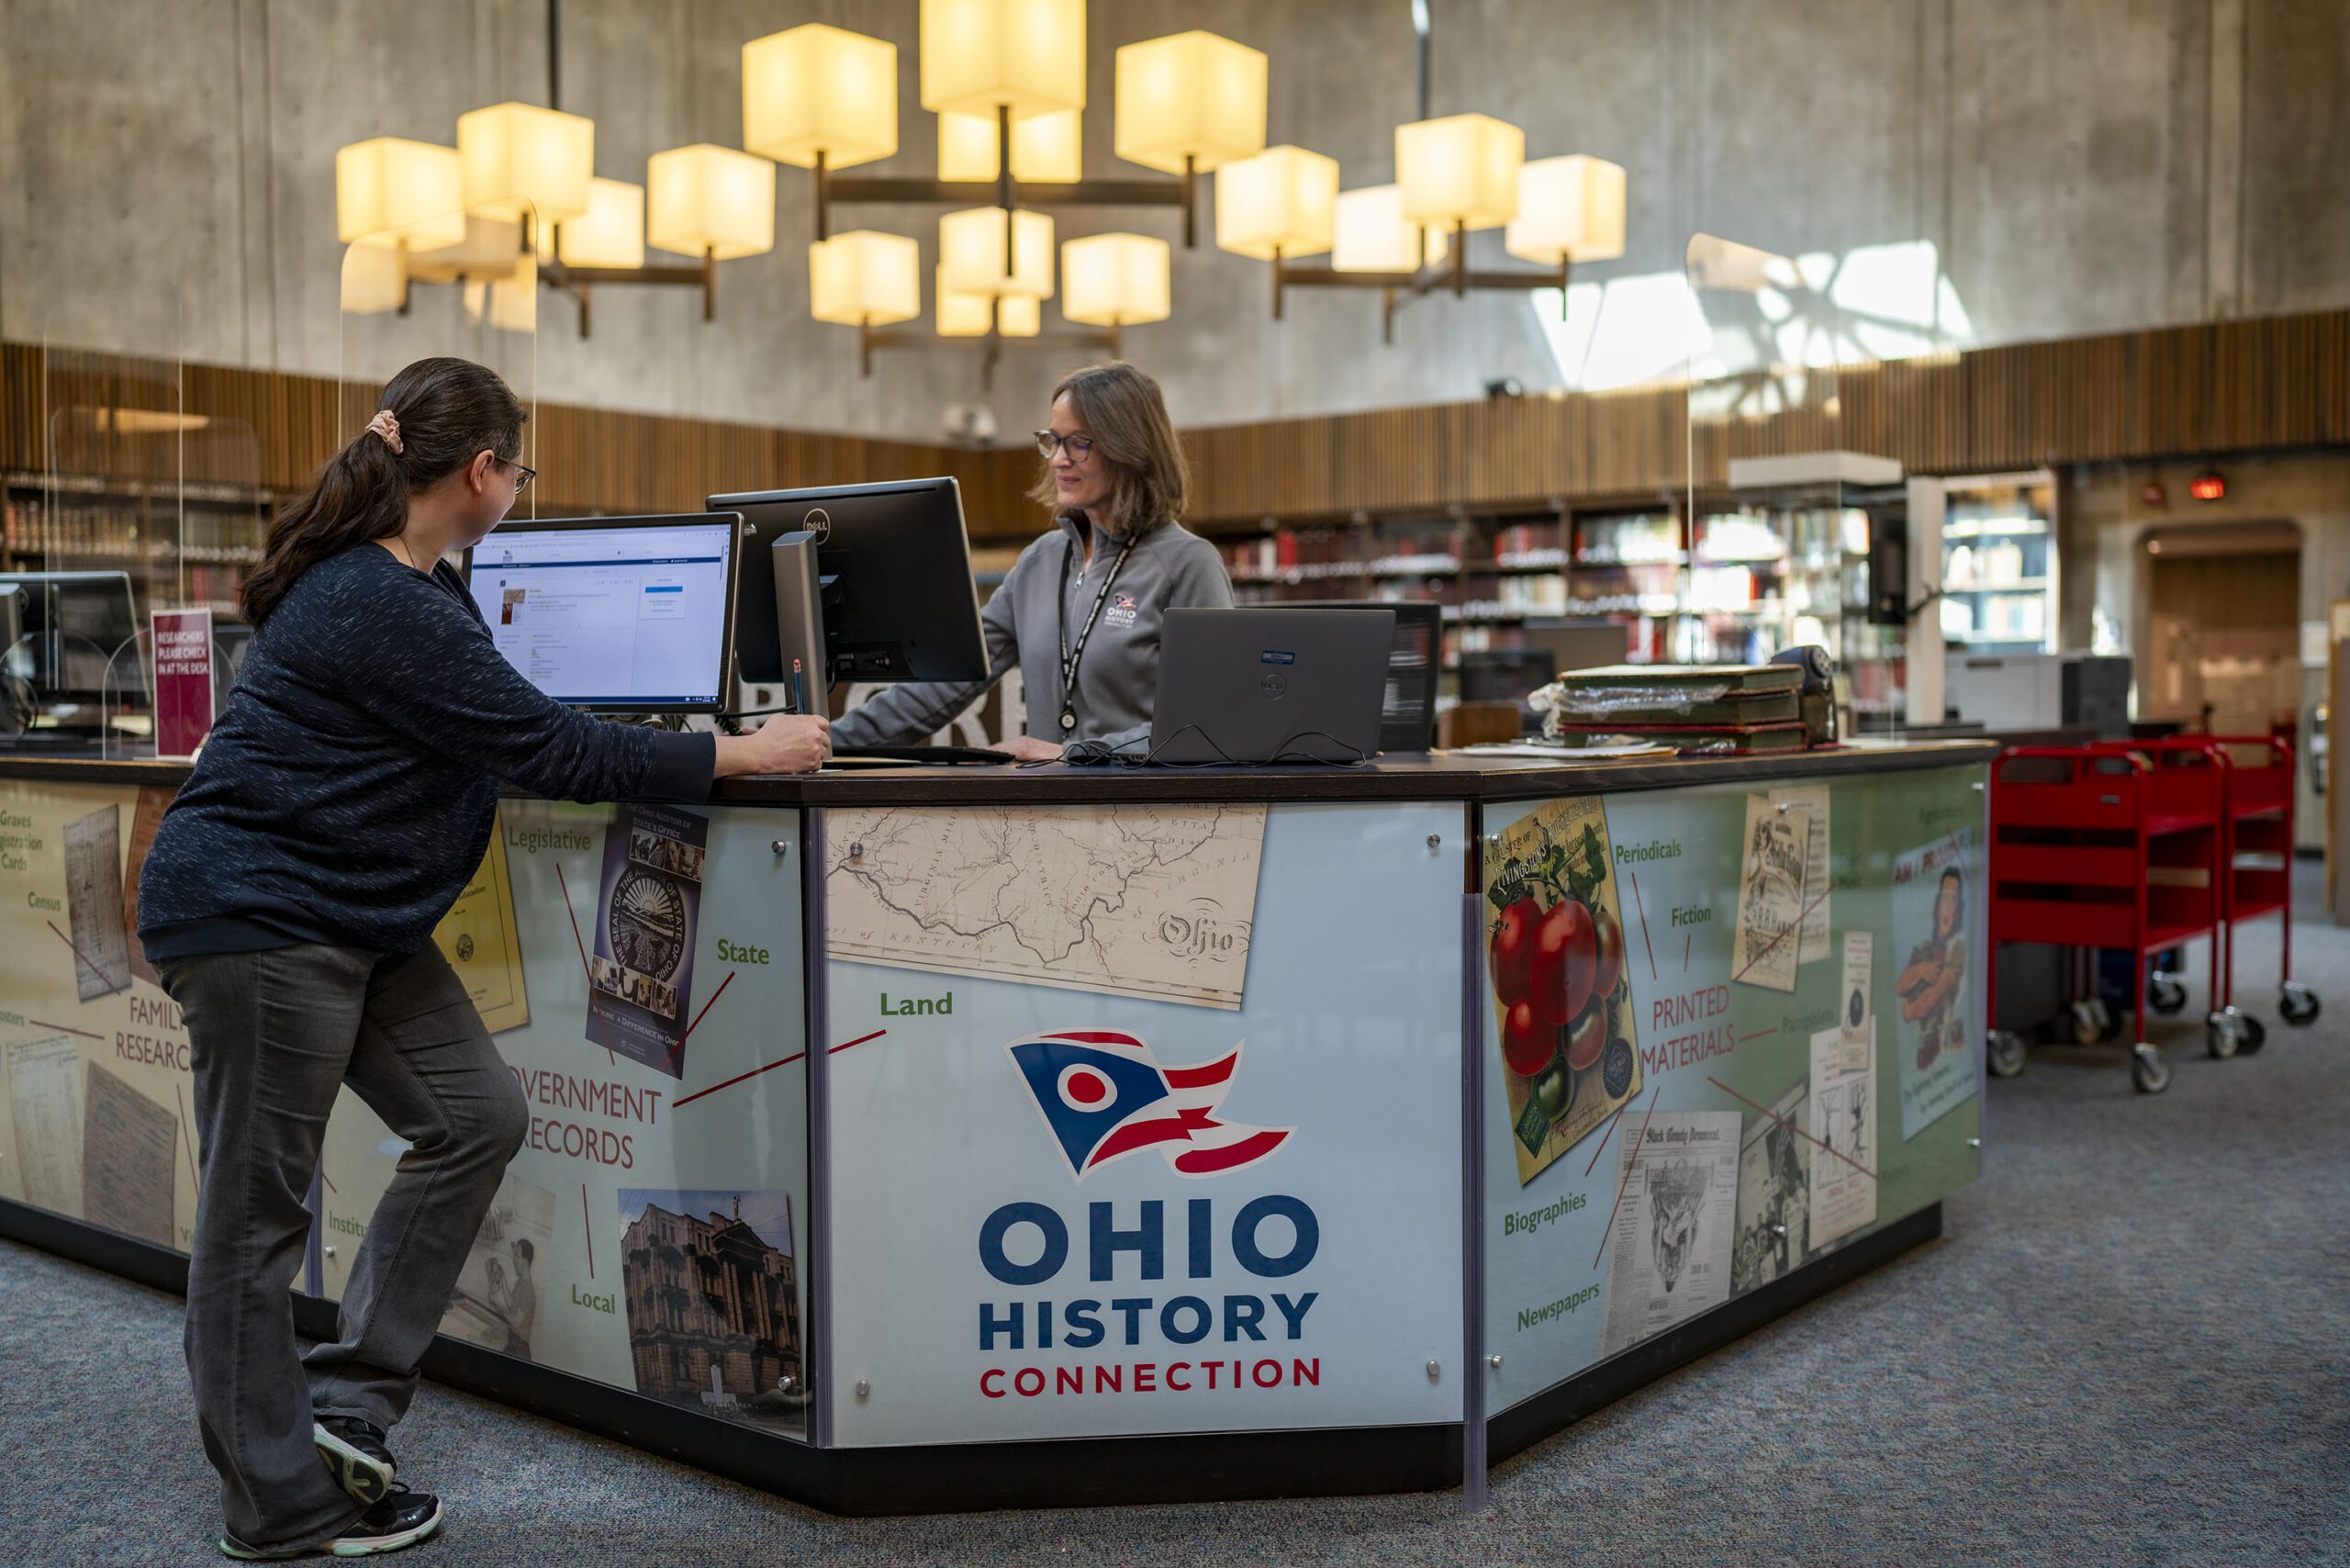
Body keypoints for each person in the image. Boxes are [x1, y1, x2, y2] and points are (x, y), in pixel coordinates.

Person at [136, 356, 829, 1561]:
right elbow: (550, 750)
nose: (521, 488)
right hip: (264, 920)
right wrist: (742, 755)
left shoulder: (414, 587)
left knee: (476, 1116)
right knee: (254, 1214)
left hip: (350, 920)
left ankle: (347, 1404)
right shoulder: (380, 598)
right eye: (523, 470)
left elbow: (515, 731)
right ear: (482, 473)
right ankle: (280, 1507)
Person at [832, 361, 1233, 759]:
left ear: (1129, 449)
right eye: (1053, 440)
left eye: (1079, 443)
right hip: (1046, 815)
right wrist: (827, 744)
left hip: (1149, 815)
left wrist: (1073, 753)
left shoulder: (1189, 564)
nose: (1058, 459)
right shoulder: (1041, 561)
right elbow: (946, 682)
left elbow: (1206, 726)